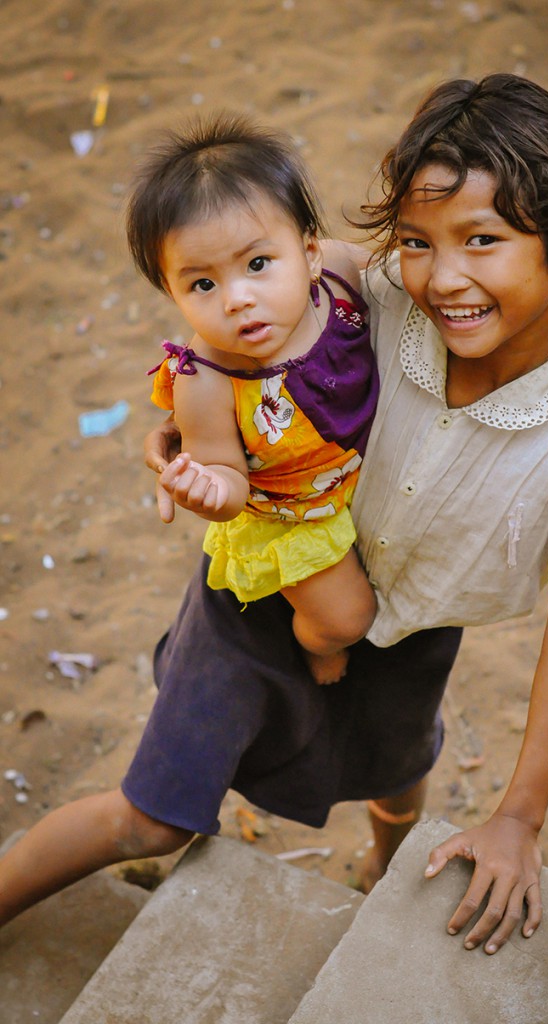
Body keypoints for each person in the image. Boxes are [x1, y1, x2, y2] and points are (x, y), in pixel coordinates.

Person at [0, 75, 548, 958]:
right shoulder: (386, 290)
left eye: (484, 240)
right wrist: (179, 438)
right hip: (261, 589)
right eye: (419, 242)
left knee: (397, 781)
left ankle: (383, 878)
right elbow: (245, 350)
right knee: (154, 818)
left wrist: (518, 817)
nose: (443, 277)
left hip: (415, 629)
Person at [128, 115, 379, 686]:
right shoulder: (206, 375)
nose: (238, 298)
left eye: (258, 264)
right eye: (203, 284)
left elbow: (399, 275)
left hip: (370, 460)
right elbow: (224, 470)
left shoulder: (340, 273)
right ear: (172, 291)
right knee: (347, 619)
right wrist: (209, 490)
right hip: (294, 510)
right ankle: (313, 646)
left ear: (309, 251)